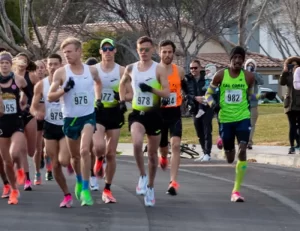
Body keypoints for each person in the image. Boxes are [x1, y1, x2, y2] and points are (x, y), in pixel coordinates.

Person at [48, 37, 102, 206]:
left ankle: (86, 189)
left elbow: (98, 83)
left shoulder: (91, 70)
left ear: (79, 51)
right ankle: (79, 180)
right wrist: (65, 90)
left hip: (88, 116)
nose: (67, 55)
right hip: (70, 118)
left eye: (69, 52)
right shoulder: (61, 73)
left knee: (85, 150)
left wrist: (98, 99)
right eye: (64, 53)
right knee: (75, 157)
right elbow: (50, 96)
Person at [119, 36, 169, 207]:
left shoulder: (159, 69)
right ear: (137, 49)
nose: (144, 52)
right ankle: (142, 175)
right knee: (137, 143)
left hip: (154, 114)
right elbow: (122, 83)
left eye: (147, 49)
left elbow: (167, 93)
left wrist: (151, 89)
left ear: (153, 50)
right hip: (138, 114)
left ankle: (151, 186)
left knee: (153, 156)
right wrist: (121, 101)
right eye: (141, 49)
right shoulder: (131, 68)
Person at [205, 46, 254, 202]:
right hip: (226, 119)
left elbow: (250, 96)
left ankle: (236, 191)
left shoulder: (248, 77)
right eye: (235, 58)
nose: (238, 61)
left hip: (243, 118)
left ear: (243, 60)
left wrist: (255, 101)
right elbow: (208, 94)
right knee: (230, 158)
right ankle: (224, 143)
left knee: (243, 149)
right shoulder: (220, 76)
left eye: (241, 58)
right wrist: (213, 104)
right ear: (230, 59)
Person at [30, 53, 73, 208]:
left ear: (61, 65)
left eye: (56, 64)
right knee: (54, 164)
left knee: (63, 160)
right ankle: (67, 195)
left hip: (66, 125)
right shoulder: (41, 85)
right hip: (49, 125)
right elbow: (33, 107)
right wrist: (37, 113)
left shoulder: (68, 81)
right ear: (47, 67)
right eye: (50, 64)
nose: (53, 67)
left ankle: (71, 163)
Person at [93, 38, 128, 203]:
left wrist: (121, 99)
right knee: (99, 146)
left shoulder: (122, 71)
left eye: (110, 48)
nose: (107, 51)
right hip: (98, 112)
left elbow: (131, 93)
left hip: (114, 112)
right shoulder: (93, 70)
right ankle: (99, 159)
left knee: (112, 153)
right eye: (104, 49)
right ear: (100, 51)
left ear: (115, 51)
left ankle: (107, 189)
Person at [0, 51, 29, 204]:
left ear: (11, 65)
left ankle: (19, 168)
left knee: (14, 153)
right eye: (1, 63)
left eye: (7, 63)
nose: (4, 65)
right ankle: (13, 190)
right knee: (6, 161)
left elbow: (29, 93)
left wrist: (25, 104)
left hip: (16, 121)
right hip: (1, 124)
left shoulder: (17, 79)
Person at [158, 40, 185, 196]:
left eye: (170, 52)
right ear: (159, 52)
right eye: (164, 52)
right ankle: (163, 156)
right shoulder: (155, 70)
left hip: (174, 112)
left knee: (175, 145)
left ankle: (173, 182)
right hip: (159, 113)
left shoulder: (179, 71)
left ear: (173, 53)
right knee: (163, 147)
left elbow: (186, 86)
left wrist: (191, 97)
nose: (167, 55)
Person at [14, 53, 39, 190]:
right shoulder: (10, 76)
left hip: (29, 114)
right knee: (21, 149)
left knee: (31, 151)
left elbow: (39, 93)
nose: (22, 63)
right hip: (15, 116)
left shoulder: (32, 76)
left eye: (25, 60)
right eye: (20, 60)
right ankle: (26, 179)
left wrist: (35, 106)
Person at [184, 60, 214, 162]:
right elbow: (184, 94)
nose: (193, 70)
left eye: (195, 68)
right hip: (194, 108)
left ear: (200, 68)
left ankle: (207, 153)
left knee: (207, 130)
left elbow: (213, 90)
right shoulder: (187, 79)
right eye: (191, 68)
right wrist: (195, 98)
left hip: (206, 107)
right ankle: (204, 151)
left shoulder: (206, 78)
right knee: (199, 131)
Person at [279, 57, 300, 154]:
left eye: (296, 65)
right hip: (290, 104)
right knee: (292, 126)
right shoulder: (287, 74)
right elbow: (282, 83)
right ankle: (291, 146)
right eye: (292, 65)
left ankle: (298, 143)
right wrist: (285, 71)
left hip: (299, 103)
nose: (295, 66)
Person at [33, 60, 48, 185]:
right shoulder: (32, 84)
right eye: (37, 68)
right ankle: (37, 173)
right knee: (38, 147)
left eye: (42, 67)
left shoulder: (50, 83)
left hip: (49, 118)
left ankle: (49, 169)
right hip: (36, 119)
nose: (40, 70)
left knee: (48, 147)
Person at [244, 59, 264, 150]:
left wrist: (253, 73)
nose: (250, 67)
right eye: (248, 65)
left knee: (252, 124)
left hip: (253, 103)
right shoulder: (242, 74)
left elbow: (261, 82)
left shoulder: (257, 75)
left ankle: (249, 142)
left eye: (252, 65)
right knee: (243, 123)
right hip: (243, 104)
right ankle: (243, 140)